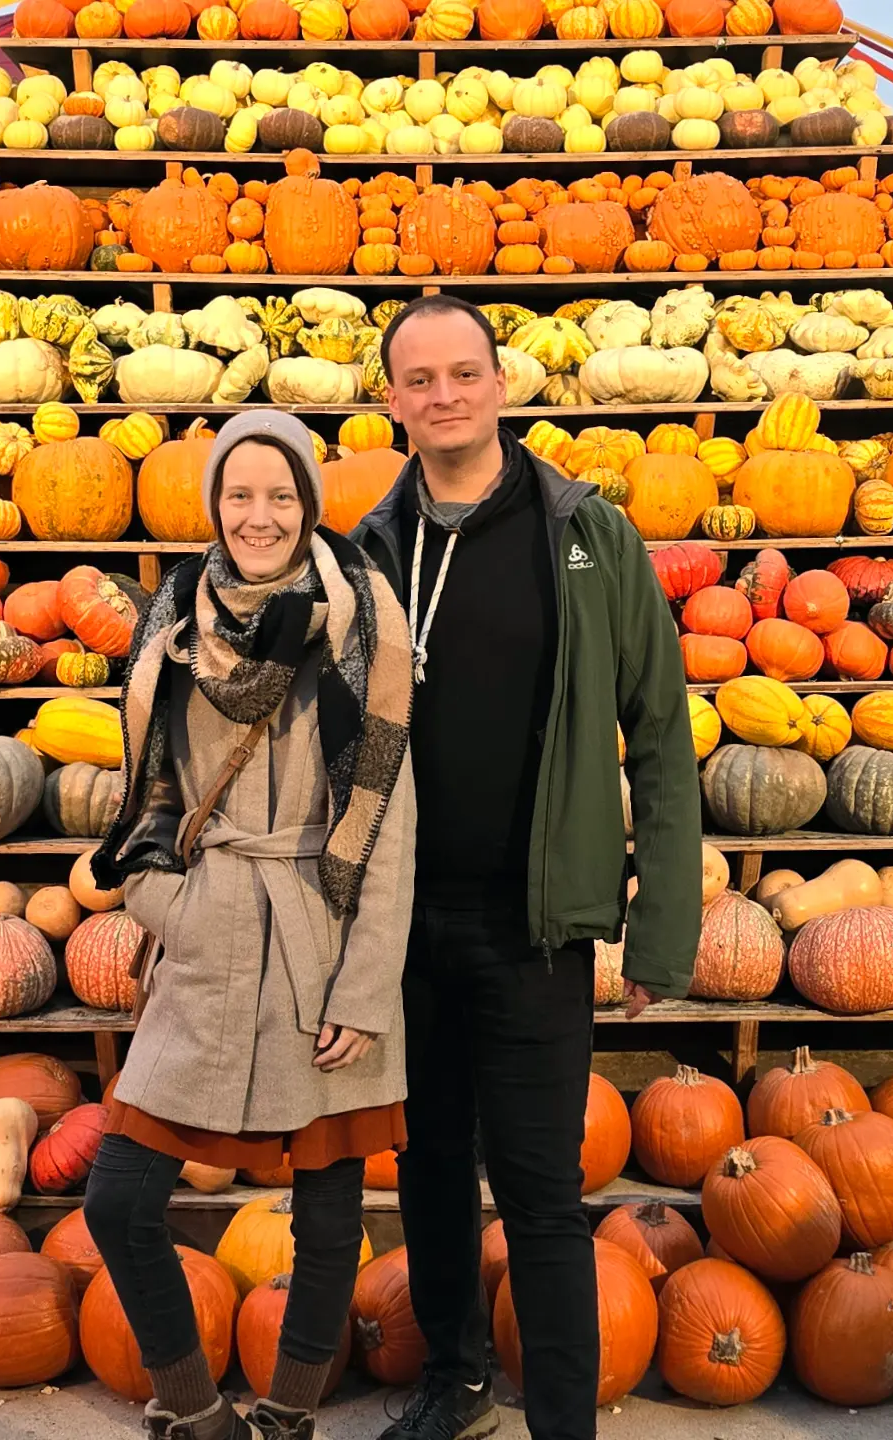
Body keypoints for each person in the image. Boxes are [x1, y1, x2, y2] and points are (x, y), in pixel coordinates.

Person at [351, 294, 703, 1440]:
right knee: (433, 1173)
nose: (444, 395)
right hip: (403, 928)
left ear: (503, 385)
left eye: (465, 373)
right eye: (420, 380)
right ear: (393, 401)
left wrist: (660, 931)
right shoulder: (367, 554)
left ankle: (563, 1421)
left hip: (534, 927)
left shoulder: (591, 537)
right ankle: (451, 1384)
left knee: (546, 1198)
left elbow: (660, 735)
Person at [87, 409, 417, 1440]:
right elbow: (141, 793)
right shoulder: (173, 623)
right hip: (212, 930)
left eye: (281, 496)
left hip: (324, 933)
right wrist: (164, 904)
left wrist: (364, 993)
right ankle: (197, 1411)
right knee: (120, 1198)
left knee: (326, 1217)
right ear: (214, 503)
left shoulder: (362, 626)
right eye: (240, 495)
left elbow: (393, 819)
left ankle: (288, 1416)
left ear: (309, 505)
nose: (260, 516)